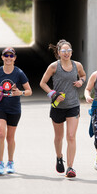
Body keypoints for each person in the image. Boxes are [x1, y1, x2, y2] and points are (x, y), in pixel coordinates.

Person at [40, 39, 86, 178]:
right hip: (57, 107)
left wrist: (81, 81)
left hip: (73, 105)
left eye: (69, 51)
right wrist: (53, 94)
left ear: (71, 52)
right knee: (59, 137)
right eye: (64, 51)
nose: (66, 53)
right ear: (59, 53)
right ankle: (59, 157)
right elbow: (42, 83)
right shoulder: (54, 67)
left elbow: (83, 75)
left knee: (71, 136)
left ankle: (70, 167)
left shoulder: (77, 65)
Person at [0, 47, 32, 175]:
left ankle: (10, 162)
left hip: (14, 108)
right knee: (1, 133)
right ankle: (0, 163)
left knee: (10, 137)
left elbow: (29, 91)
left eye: (11, 56)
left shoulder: (19, 73)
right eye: (6, 55)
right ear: (2, 57)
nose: (8, 58)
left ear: (15, 58)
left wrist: (20, 92)